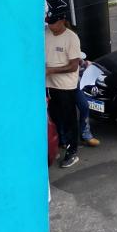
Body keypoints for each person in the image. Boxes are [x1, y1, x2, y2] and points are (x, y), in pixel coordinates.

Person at [45, 12, 83, 168]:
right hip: (49, 85)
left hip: (66, 87)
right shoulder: (45, 34)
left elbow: (74, 66)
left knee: (69, 120)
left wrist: (51, 70)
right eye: (48, 22)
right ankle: (60, 144)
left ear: (62, 21)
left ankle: (72, 151)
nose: (50, 25)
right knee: (54, 118)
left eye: (53, 22)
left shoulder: (71, 38)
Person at [77, 58, 101, 148]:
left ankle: (86, 135)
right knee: (65, 111)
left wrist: (83, 63)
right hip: (59, 82)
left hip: (74, 81)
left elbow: (76, 58)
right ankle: (63, 139)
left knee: (84, 106)